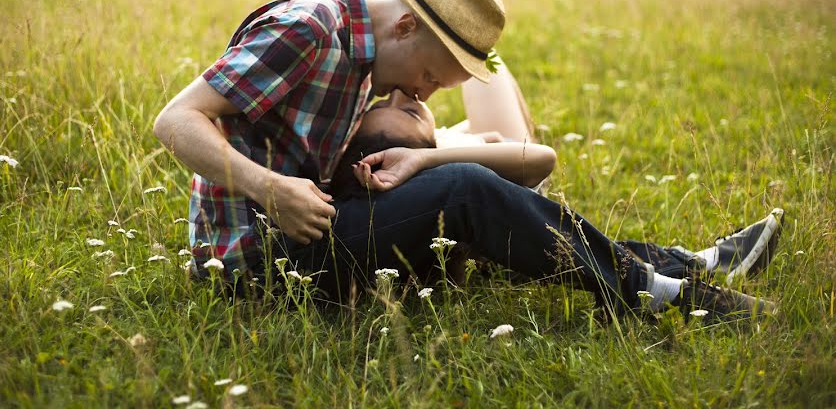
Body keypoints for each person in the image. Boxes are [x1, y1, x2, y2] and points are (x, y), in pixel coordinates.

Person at [275, 88, 782, 322]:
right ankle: (661, 286)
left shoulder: (434, 153)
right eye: (397, 107)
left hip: (432, 193)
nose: (402, 96)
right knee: (474, 191)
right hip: (338, 246)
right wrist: (434, 164)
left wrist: (430, 156)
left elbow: (537, 159)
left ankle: (691, 265)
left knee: (518, 228)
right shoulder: (416, 181)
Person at [154, 0, 506, 277]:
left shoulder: (368, 63)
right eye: (429, 76)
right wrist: (269, 187)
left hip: (313, 228)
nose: (422, 94)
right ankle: (564, 256)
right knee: (465, 186)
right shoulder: (309, 28)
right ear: (404, 26)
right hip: (255, 252)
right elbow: (175, 119)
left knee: (459, 186)